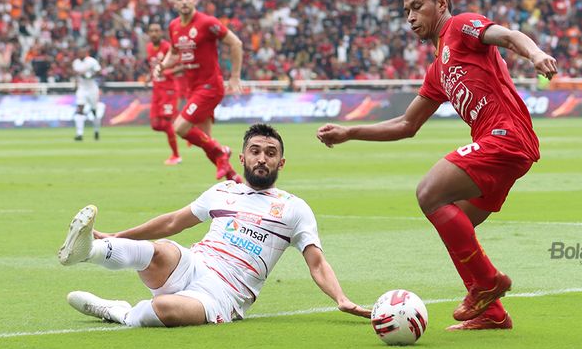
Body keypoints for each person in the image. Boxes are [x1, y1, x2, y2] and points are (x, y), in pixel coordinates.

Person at [317, 0, 558, 331]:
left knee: (429, 192)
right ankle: (491, 313)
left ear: (441, 4)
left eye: (417, 6)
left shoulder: (461, 27)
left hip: (505, 136)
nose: (411, 17)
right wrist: (351, 132)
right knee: (456, 224)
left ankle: (489, 282)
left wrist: (535, 53)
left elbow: (507, 35)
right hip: (502, 146)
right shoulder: (438, 69)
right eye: (406, 11)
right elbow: (406, 125)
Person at [58, 123, 371, 327]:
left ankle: (119, 312)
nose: (262, 158)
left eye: (271, 153)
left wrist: (341, 298)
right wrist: (117, 234)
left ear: (281, 163)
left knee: (164, 309)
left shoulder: (294, 208)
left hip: (224, 294)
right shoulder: (223, 191)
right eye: (256, 151)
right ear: (242, 158)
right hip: (194, 263)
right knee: (161, 250)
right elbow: (172, 222)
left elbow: (317, 263)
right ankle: (90, 249)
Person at [155, 0, 243, 181]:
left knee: (180, 128)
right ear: (175, 3)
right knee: (205, 141)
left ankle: (222, 151)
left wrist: (235, 76)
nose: (184, 1)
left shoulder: (207, 23)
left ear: (194, 0)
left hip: (210, 86)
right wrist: (163, 65)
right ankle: (234, 178)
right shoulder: (174, 26)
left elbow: (235, 43)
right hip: (193, 89)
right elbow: (174, 53)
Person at [145, 22, 181, 165]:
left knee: (166, 123)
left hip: (169, 90)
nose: (154, 33)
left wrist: (164, 72)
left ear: (161, 33)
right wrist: (150, 76)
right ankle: (183, 124)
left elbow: (180, 67)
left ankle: (176, 155)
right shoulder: (149, 48)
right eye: (152, 31)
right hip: (157, 90)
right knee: (155, 124)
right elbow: (154, 67)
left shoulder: (167, 47)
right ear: (148, 33)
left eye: (157, 30)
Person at [72, 49, 102, 141]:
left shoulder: (92, 61)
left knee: (94, 110)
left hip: (92, 88)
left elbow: (99, 72)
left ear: (86, 53)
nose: (80, 54)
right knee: (80, 108)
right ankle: (79, 134)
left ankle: (96, 130)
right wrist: (75, 85)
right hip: (82, 88)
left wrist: (90, 76)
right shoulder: (76, 63)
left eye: (82, 52)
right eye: (79, 52)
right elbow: (76, 75)